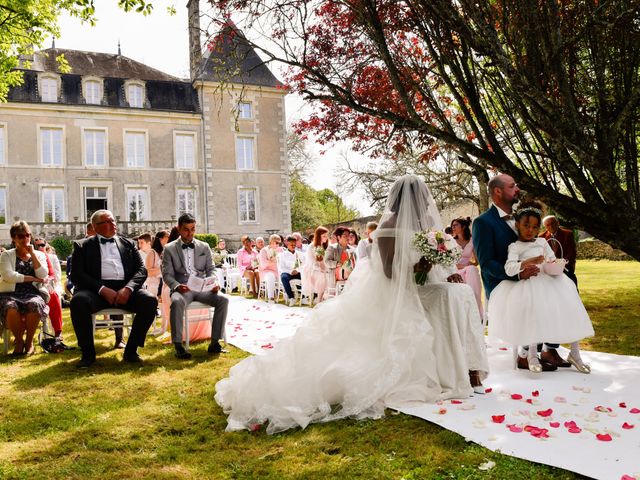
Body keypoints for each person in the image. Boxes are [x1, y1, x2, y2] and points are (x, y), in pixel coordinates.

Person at [215, 175, 487, 434]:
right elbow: (392, 273)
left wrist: (443, 268)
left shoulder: (425, 228)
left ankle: (465, 367)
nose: (423, 204)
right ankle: (455, 370)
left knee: (459, 293)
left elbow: (434, 264)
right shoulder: (389, 227)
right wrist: (420, 266)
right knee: (449, 298)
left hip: (421, 287)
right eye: (419, 197)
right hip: (395, 292)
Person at [488, 202, 594, 373]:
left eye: (535, 227)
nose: (530, 230)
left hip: (550, 279)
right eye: (526, 226)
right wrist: (529, 262)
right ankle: (531, 354)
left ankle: (575, 353)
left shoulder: (543, 241)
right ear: (518, 225)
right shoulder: (515, 246)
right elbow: (509, 268)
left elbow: (551, 258)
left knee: (570, 307)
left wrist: (555, 263)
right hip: (529, 282)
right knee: (534, 311)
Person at [472, 174, 562, 371]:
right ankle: (526, 356)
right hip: (504, 283)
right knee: (537, 296)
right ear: (498, 191)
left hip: (530, 277)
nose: (517, 189)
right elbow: (486, 264)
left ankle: (549, 348)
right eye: (513, 186)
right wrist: (518, 274)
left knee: (564, 287)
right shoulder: (483, 223)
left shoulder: (521, 216)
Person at [69, 210, 157, 368]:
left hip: (125, 289)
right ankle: (88, 354)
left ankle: (131, 351)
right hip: (95, 291)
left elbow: (141, 270)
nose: (113, 224)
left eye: (113, 221)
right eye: (107, 222)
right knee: (78, 301)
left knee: (149, 301)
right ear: (95, 227)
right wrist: (102, 289)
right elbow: (77, 274)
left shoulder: (128, 243)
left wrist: (128, 289)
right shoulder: (82, 246)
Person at [161, 213, 228, 359]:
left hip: (202, 287)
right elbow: (167, 275)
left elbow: (211, 269)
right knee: (177, 301)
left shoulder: (204, 246)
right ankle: (178, 345)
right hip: (182, 288)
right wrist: (177, 286)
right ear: (179, 229)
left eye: (192, 229)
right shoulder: (169, 248)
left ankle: (215, 343)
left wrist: (213, 282)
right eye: (186, 229)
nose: (190, 233)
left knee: (223, 300)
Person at [0, 221, 49, 355]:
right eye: (21, 236)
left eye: (28, 235)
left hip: (32, 292)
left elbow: (43, 274)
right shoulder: (6, 255)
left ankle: (29, 342)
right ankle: (19, 341)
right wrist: (32, 278)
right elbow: (9, 276)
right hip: (10, 292)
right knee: (10, 307)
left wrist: (32, 254)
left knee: (34, 304)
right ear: (14, 238)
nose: (25, 239)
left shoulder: (39, 255)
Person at [450, 217, 483, 320]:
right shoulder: (450, 241)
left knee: (472, 270)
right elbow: (448, 262)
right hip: (454, 270)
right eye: (452, 226)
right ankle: (467, 312)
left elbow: (476, 262)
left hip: (467, 270)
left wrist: (470, 263)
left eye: (456, 225)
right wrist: (465, 266)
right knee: (471, 270)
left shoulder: (472, 241)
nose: (453, 227)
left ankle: (476, 310)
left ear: (463, 227)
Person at [34, 238, 64, 341]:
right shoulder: (29, 256)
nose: (40, 247)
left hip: (49, 285)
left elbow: (54, 275)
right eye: (37, 245)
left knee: (53, 295)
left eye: (42, 245)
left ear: (46, 245)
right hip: (32, 286)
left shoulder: (50, 257)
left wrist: (47, 281)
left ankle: (58, 331)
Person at [540, 215, 578, 286]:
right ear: (545, 226)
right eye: (548, 225)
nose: (551, 226)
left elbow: (571, 253)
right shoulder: (541, 237)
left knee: (570, 290)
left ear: (557, 223)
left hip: (566, 268)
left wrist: (561, 264)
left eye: (553, 223)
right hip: (549, 271)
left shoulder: (567, 234)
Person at [302, 226, 329, 304]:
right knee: (322, 276)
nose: (326, 238)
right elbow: (311, 262)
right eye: (324, 236)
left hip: (323, 268)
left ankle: (326, 298)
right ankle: (319, 300)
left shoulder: (325, 246)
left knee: (329, 274)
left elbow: (326, 261)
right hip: (312, 270)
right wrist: (321, 268)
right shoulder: (311, 247)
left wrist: (325, 268)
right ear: (318, 236)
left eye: (327, 236)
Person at [278, 235, 303, 306]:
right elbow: (282, 267)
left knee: (305, 275)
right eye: (291, 244)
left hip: (297, 272)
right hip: (287, 273)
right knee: (283, 277)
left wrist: (297, 270)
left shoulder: (299, 254)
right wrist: (290, 272)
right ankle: (291, 297)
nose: (293, 246)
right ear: (287, 244)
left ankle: (304, 297)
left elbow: (303, 265)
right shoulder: (282, 255)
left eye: (294, 245)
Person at [258, 234, 282, 303]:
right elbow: (263, 264)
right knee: (270, 276)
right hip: (266, 271)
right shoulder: (264, 250)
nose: (278, 245)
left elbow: (282, 261)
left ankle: (289, 296)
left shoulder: (280, 249)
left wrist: (273, 261)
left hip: (277, 270)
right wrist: (273, 261)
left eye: (279, 243)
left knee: (284, 274)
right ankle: (271, 297)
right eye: (276, 243)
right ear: (271, 242)